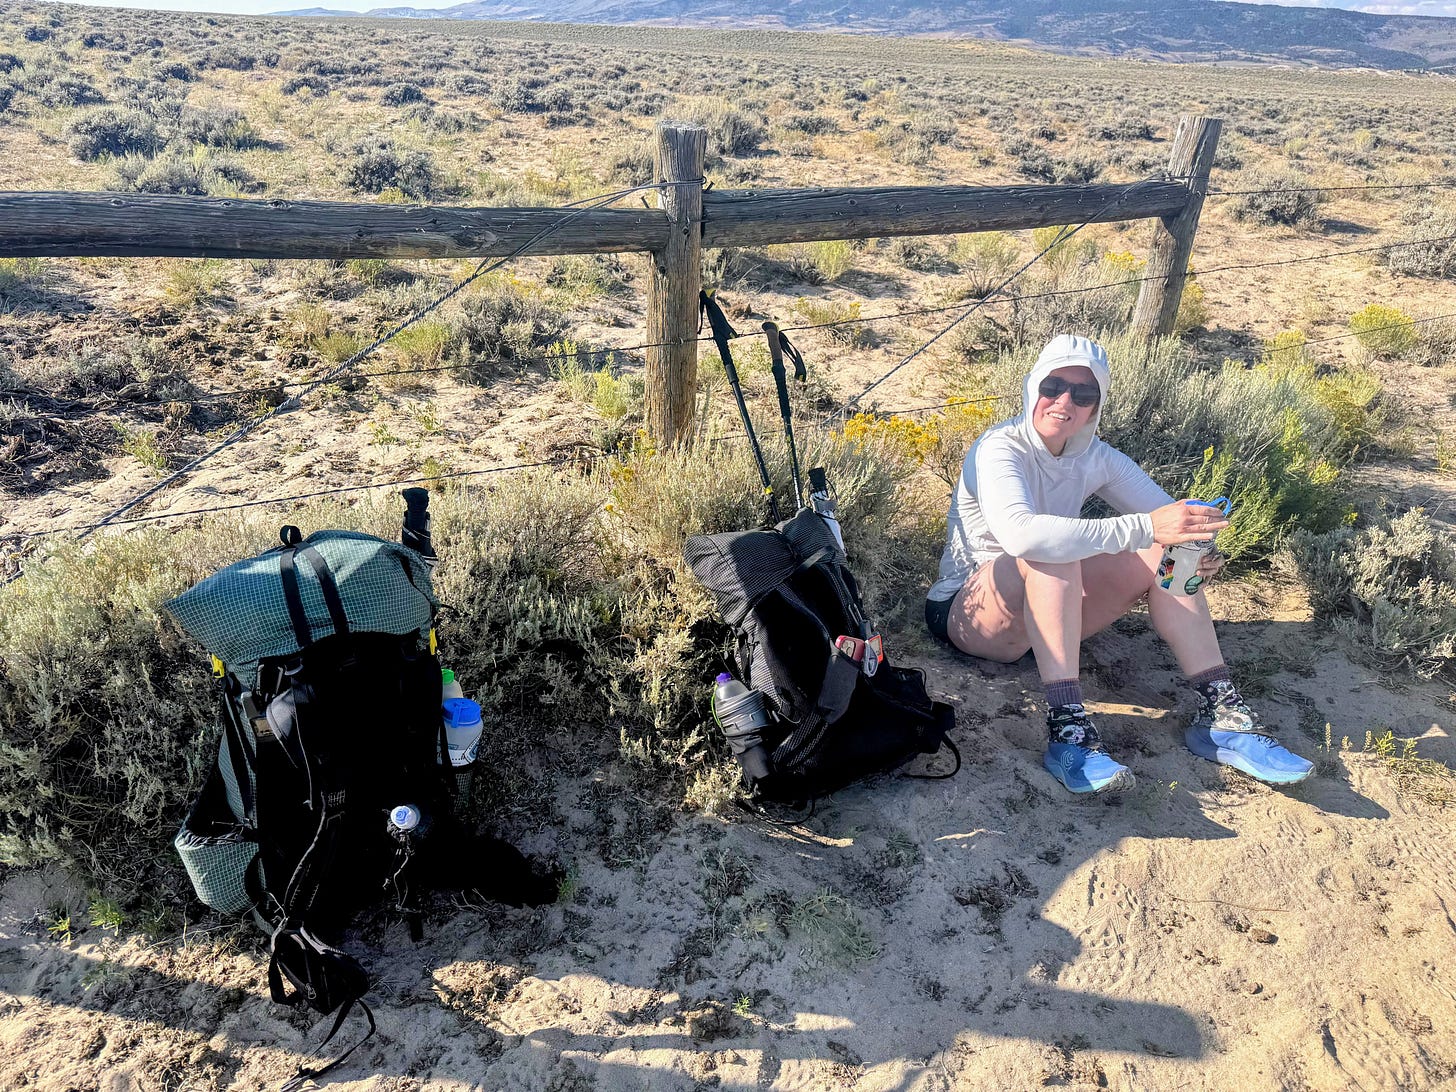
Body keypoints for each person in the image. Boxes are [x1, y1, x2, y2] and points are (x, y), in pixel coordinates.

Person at [925, 334, 1312, 794]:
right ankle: (1068, 731)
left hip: (1045, 623)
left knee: (1172, 551)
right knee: (1053, 550)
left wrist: (1201, 552)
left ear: (1096, 407)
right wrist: (1146, 527)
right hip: (967, 613)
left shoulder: (1097, 457)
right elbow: (1021, 534)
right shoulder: (999, 447)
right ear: (1032, 388)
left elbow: (1172, 520)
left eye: (1083, 394)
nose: (1064, 402)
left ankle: (1223, 716)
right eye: (1053, 386)